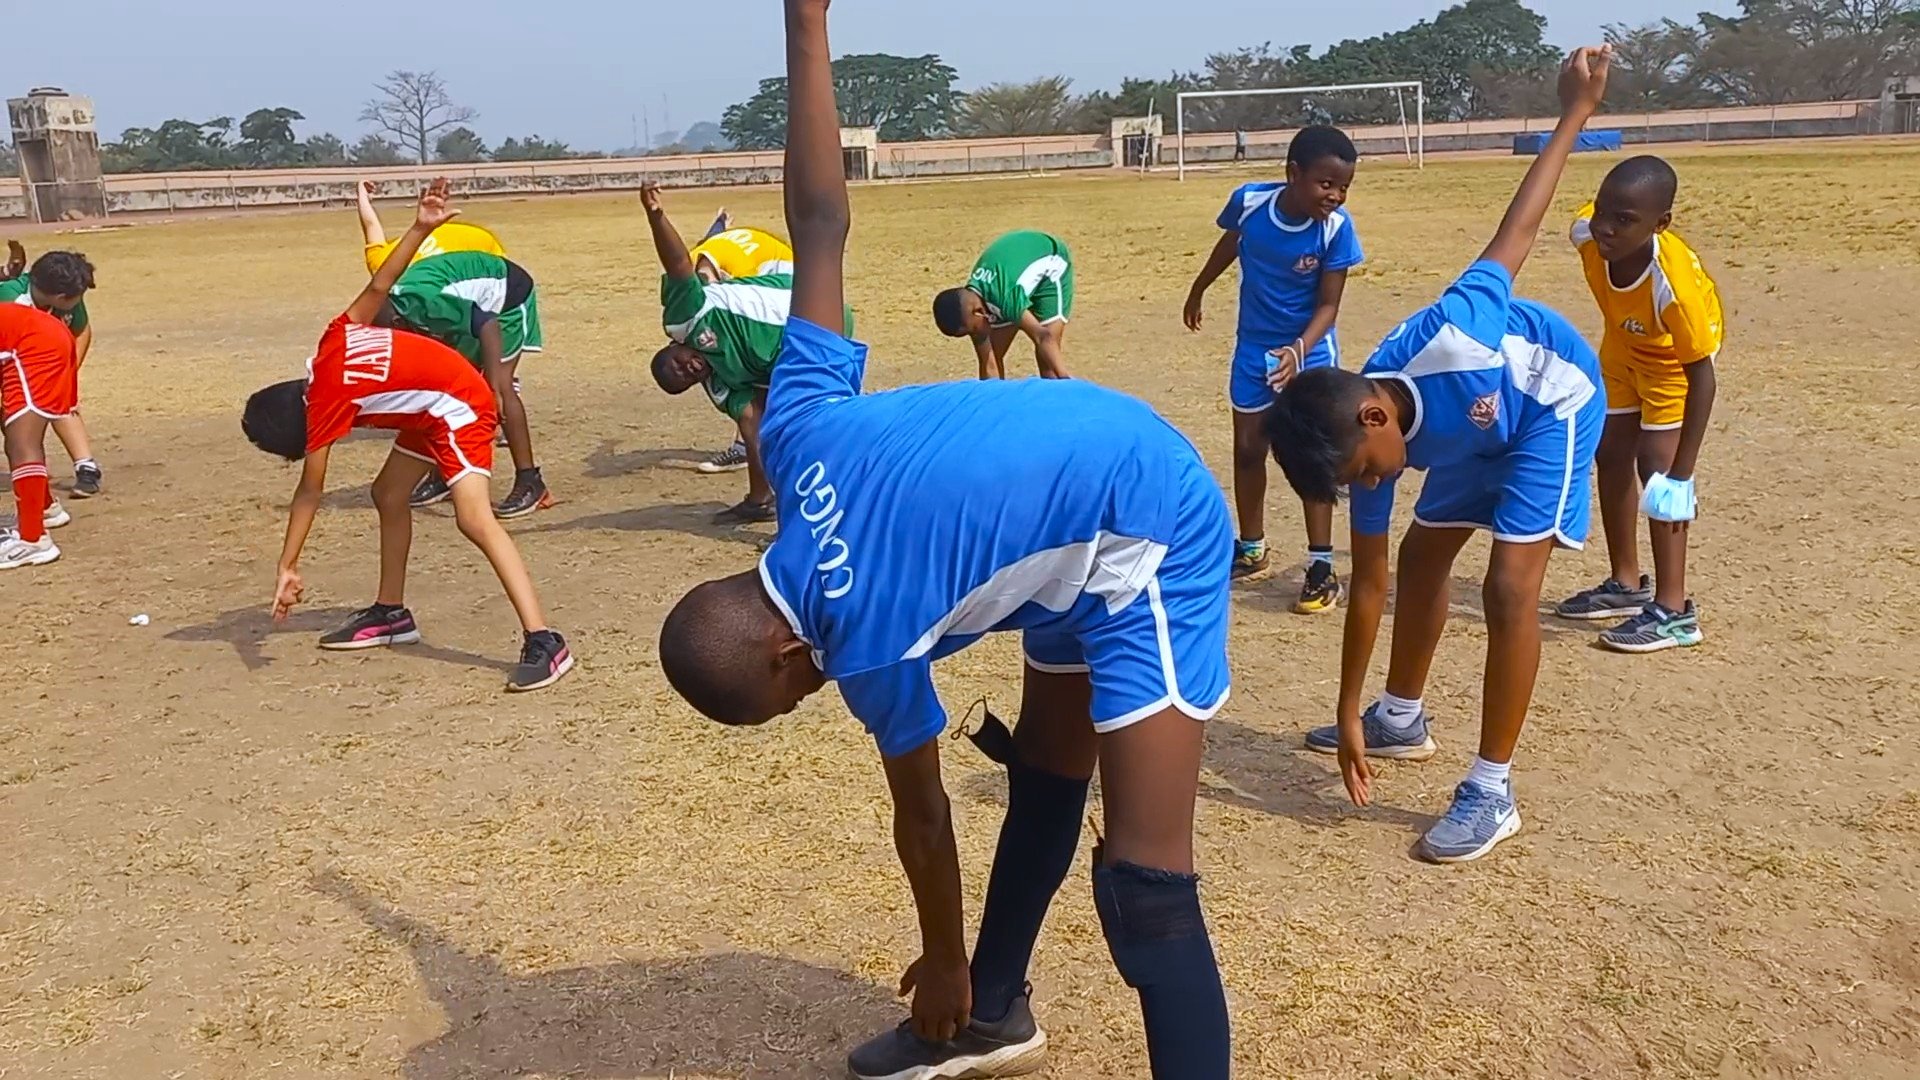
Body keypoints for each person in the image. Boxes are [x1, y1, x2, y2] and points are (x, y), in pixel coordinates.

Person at [658, 3, 1234, 1077]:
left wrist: (941, 953)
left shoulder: (861, 650)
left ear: (788, 658)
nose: (809, 700)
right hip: (1078, 512)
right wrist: (807, 27)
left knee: (1147, 891)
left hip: (1148, 522)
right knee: (1048, 779)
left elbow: (923, 823)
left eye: (793, 700)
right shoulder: (793, 434)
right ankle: (997, 1012)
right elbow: (820, 224)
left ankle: (989, 992)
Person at [1263, 45, 1613, 864]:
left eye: (1364, 475)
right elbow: (1369, 589)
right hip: (1475, 437)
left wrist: (1576, 110)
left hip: (1551, 405)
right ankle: (1397, 717)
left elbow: (1518, 230)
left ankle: (1492, 790)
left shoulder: (1458, 337)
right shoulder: (1370, 442)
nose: (1369, 487)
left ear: (1377, 418)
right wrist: (1348, 708)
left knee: (1506, 588)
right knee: (1418, 560)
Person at [242, 179, 573, 693]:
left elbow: (309, 492)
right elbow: (381, 285)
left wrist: (287, 566)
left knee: (474, 519)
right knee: (389, 493)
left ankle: (545, 640)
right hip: (433, 405)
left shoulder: (326, 410)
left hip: (461, 404)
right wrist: (419, 226)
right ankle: (392, 613)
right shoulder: (331, 341)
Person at [1184, 125, 1363, 610]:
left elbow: (1328, 307)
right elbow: (1232, 242)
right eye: (1326, 184)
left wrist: (1297, 353)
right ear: (1293, 174)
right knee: (1247, 448)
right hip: (1253, 351)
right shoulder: (1249, 203)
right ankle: (1252, 548)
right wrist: (1200, 287)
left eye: (1344, 186)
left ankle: (1322, 565)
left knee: (1312, 456)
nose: (1336, 195)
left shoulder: (1336, 229)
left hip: (1309, 354)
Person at [1554, 156, 1721, 653]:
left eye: (1624, 221)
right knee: (1610, 452)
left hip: (1671, 361)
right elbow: (1590, 220)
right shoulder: (1587, 235)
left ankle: (1674, 612)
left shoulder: (1673, 290)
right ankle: (1626, 583)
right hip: (1621, 348)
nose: (1606, 227)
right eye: (1604, 211)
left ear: (1660, 224)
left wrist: (1682, 474)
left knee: (1656, 468)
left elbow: (1703, 379)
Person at [644, 183, 850, 525]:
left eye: (681, 364)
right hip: (800, 347)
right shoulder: (719, 382)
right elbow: (752, 427)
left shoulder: (685, 315)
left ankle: (827, 504)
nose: (692, 368)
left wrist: (655, 215)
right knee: (760, 425)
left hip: (813, 314)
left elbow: (679, 263)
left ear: (674, 345)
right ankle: (761, 500)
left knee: (808, 425)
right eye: (687, 379)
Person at [377, 249, 551, 518]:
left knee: (502, 388)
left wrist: (491, 387)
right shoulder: (393, 309)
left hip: (506, 300)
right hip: (473, 308)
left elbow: (487, 324)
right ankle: (444, 472)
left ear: (399, 322)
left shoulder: (425, 304)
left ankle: (531, 481)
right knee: (444, 389)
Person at [684, 205, 798, 476]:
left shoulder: (738, 274)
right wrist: (720, 223)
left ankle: (743, 447)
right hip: (770, 267)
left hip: (786, 279)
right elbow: (709, 244)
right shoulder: (698, 255)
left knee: (750, 359)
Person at [3, 242, 101, 502]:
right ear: (60, 297)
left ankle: (86, 467)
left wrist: (67, 371)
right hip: (11, 363)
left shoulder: (65, 300)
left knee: (57, 404)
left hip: (32, 362)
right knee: (18, 429)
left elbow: (81, 330)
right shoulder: (11, 299)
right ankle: (38, 497)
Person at [932, 230, 1073, 380]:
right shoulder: (971, 305)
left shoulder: (1005, 299)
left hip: (1051, 263)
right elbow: (989, 364)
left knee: (1048, 365)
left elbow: (1043, 337)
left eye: (973, 330)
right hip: (1013, 274)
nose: (974, 335)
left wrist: (1067, 381)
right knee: (993, 354)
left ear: (978, 311)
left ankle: (1058, 397)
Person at [0, 302, 77, 570]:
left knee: (23, 441)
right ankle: (44, 508)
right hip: (41, 339)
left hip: (34, 346)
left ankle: (34, 541)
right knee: (14, 429)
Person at [355, 178, 506, 274]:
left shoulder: (383, 266)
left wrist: (362, 195)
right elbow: (371, 226)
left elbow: (371, 226)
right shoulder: (478, 239)